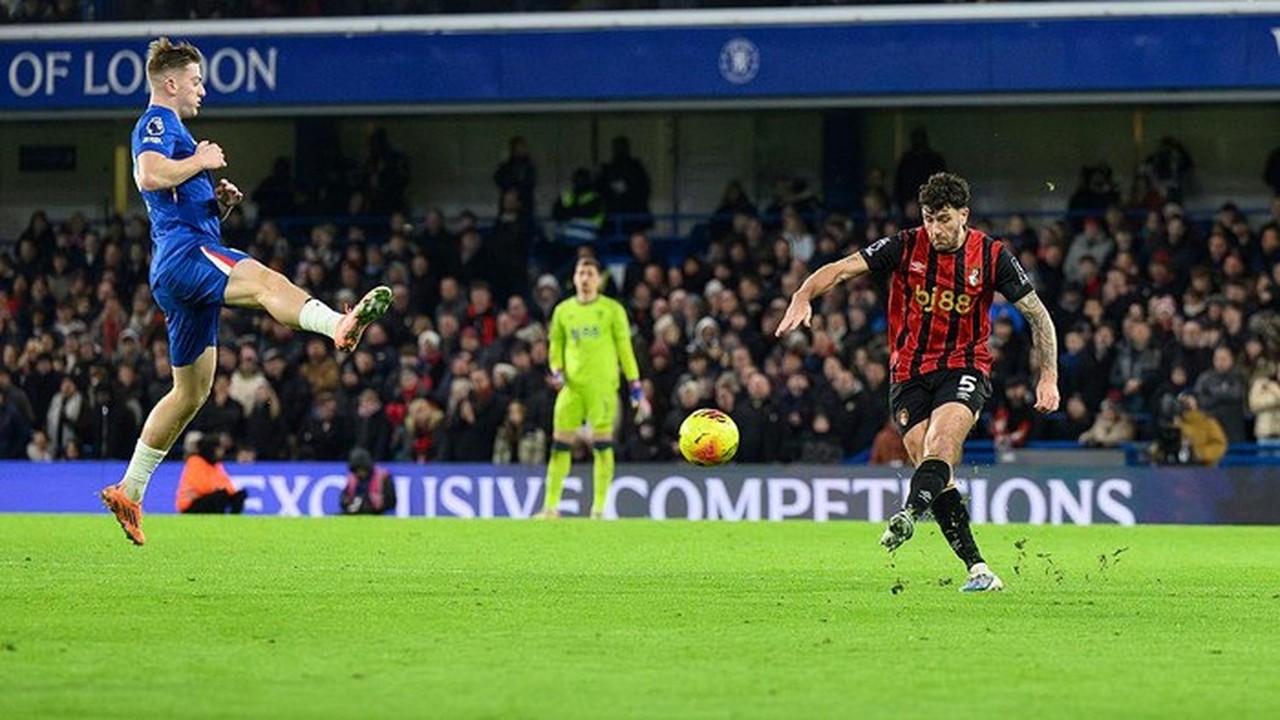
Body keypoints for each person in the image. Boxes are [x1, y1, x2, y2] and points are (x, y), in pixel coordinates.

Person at [100, 37, 393, 546]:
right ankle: (338, 325)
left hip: (182, 256)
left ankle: (130, 488)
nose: (202, 90)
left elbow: (172, 199)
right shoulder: (158, 123)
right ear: (170, 83)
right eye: (195, 81)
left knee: (191, 391)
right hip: (184, 253)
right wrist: (203, 161)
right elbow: (148, 176)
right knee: (267, 282)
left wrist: (218, 205)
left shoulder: (174, 131)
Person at [776, 172, 1060, 592]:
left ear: (964, 215)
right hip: (908, 373)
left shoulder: (992, 256)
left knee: (941, 445)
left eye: (943, 219)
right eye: (928, 218)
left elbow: (1038, 314)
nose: (935, 229)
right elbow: (840, 270)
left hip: (964, 366)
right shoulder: (905, 245)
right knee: (932, 467)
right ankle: (978, 568)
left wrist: (1049, 376)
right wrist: (802, 295)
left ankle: (907, 514)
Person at [539, 256, 646, 519]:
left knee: (602, 445)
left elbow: (625, 349)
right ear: (574, 278)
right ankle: (551, 507)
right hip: (572, 389)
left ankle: (598, 509)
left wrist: (635, 383)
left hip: (602, 389)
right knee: (559, 446)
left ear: (599, 279)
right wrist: (557, 370)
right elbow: (555, 347)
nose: (585, 278)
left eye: (590, 273)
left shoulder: (612, 310)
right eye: (580, 273)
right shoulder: (563, 311)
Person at [175, 431, 247, 514]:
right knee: (220, 496)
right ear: (211, 449)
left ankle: (233, 520)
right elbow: (203, 487)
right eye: (219, 448)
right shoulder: (195, 461)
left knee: (240, 493)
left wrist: (228, 489)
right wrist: (225, 489)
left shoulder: (216, 464)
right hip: (191, 505)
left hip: (207, 498)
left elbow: (225, 482)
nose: (222, 452)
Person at [340, 447, 397, 515]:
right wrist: (345, 501)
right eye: (356, 471)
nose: (359, 473)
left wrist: (374, 505)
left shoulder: (382, 477)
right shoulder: (352, 480)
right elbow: (344, 497)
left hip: (375, 513)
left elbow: (391, 501)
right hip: (353, 512)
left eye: (361, 469)